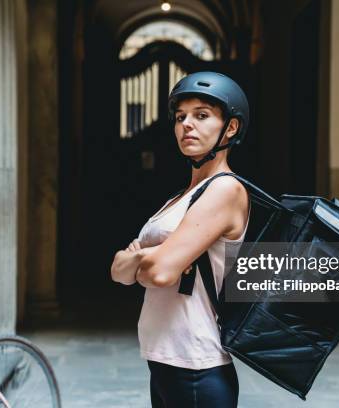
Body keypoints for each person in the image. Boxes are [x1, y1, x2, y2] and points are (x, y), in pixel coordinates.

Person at [110, 72, 250, 408]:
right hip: (165, 363)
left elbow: (158, 275)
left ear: (230, 128)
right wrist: (157, 257)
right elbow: (117, 270)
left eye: (202, 115)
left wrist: (145, 258)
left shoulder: (226, 190)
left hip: (197, 368)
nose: (187, 124)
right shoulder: (179, 198)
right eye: (180, 117)